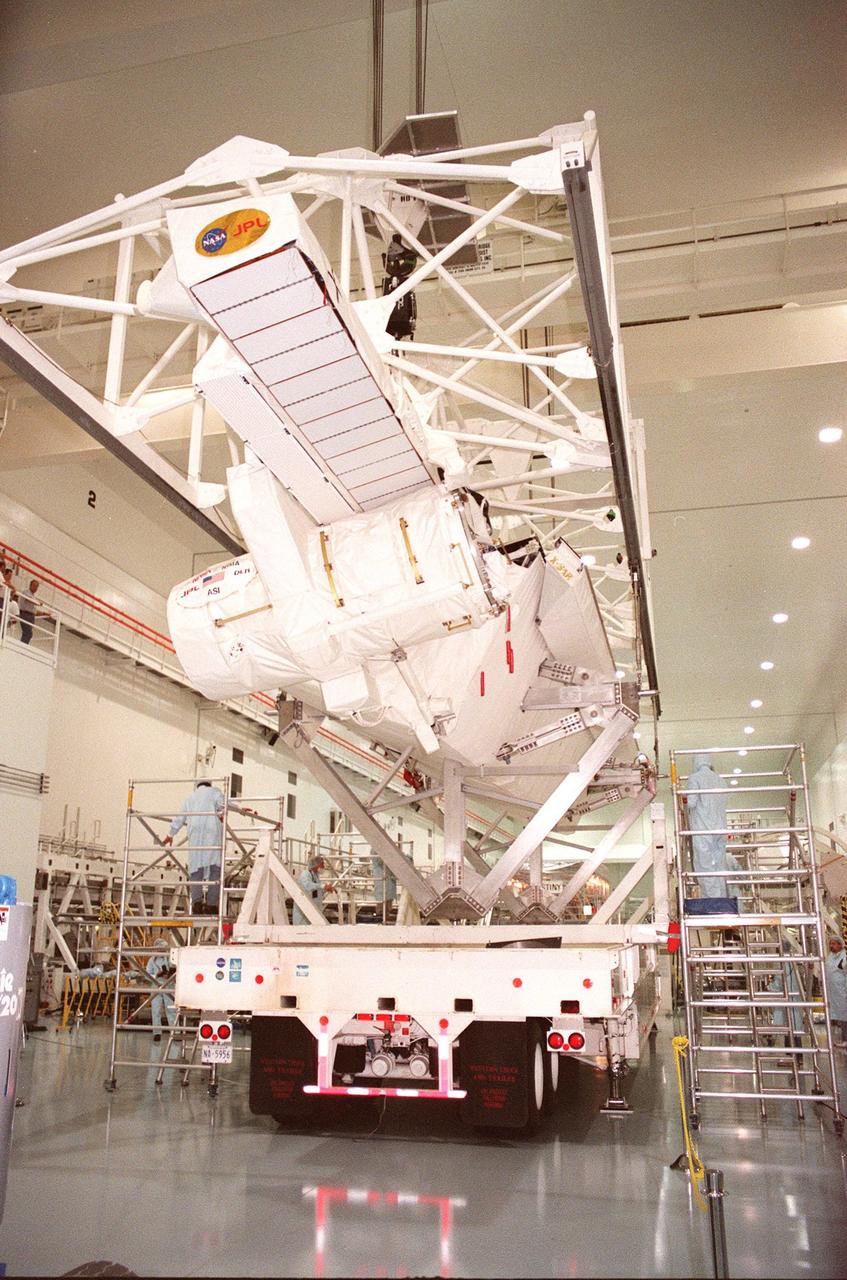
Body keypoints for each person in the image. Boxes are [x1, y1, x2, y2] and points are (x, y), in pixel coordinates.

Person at [162, 780, 226, 915]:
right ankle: (211, 904)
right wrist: (238, 810)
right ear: (209, 784)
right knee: (215, 869)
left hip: (195, 836)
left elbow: (180, 818)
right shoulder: (215, 792)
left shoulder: (190, 798)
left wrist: (170, 834)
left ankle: (196, 902)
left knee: (195, 870)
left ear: (197, 785)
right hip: (211, 834)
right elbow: (223, 805)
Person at [684, 753, 741, 899]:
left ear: (696, 763)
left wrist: (681, 797)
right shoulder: (721, 781)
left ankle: (713, 902)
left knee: (705, 867)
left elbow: (691, 802)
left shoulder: (694, 778)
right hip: (720, 829)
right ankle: (723, 899)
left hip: (704, 830)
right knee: (719, 866)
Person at [146, 939, 177, 1041]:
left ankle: (175, 1032)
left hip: (169, 986)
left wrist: (170, 974)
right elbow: (147, 975)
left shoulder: (170, 958)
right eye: (161, 949)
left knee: (171, 1009)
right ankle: (157, 1033)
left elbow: (176, 970)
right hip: (156, 986)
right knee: (156, 1009)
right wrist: (156, 975)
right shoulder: (151, 960)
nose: (163, 951)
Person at [292, 854, 333, 925]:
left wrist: (326, 890)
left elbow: (317, 890)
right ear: (316, 865)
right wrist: (323, 886)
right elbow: (307, 886)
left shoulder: (316, 876)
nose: (324, 867)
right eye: (322, 864)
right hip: (303, 914)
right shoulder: (305, 874)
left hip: (313, 912)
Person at [825, 935, 847, 1047]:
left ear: (840, 945)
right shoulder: (830, 957)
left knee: (844, 1015)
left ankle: (846, 1039)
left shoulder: (844, 957)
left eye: (833, 944)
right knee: (840, 1015)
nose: (831, 946)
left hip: (842, 991)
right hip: (834, 992)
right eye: (830, 944)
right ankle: (843, 1038)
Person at [18, 578, 51, 645]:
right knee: (28, 633)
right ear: (30, 585)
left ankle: (23, 646)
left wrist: (44, 613)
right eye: (34, 586)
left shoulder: (33, 596)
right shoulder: (26, 592)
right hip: (25, 615)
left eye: (37, 587)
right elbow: (29, 600)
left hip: (30, 616)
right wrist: (38, 603)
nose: (35, 588)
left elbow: (33, 610)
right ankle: (22, 646)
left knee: (28, 633)